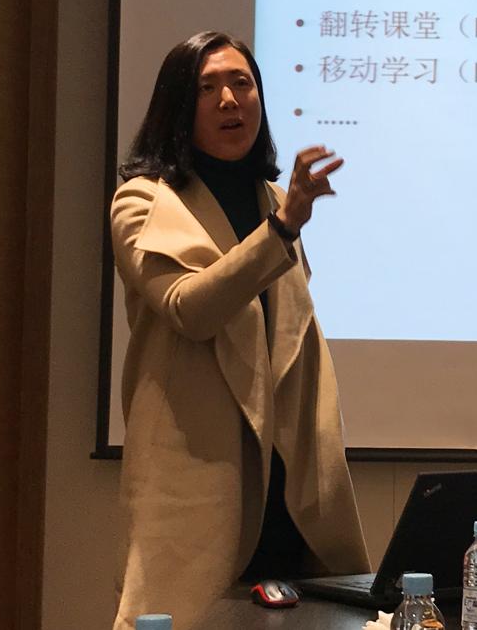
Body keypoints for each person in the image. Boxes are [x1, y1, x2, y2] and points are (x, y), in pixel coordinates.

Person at [110, 31, 370, 630]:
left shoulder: (273, 200)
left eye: (242, 83)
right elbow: (190, 309)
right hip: (201, 488)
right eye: (208, 88)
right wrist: (282, 228)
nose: (230, 100)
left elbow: (291, 343)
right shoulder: (143, 202)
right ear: (179, 107)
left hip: (291, 492)